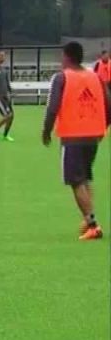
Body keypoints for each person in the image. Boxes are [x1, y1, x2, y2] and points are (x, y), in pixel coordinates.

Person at [42, 41, 111, 241]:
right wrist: (103, 127)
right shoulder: (95, 77)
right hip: (93, 135)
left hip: (73, 135)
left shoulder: (61, 78)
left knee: (75, 181)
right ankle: (87, 219)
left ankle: (92, 225)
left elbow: (52, 107)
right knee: (85, 177)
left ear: (67, 57)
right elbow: (109, 103)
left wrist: (46, 131)